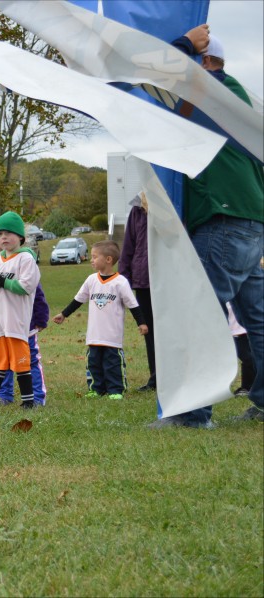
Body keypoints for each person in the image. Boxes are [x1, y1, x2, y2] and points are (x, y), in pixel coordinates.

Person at [155, 27, 264, 426]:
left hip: (223, 221)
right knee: (259, 319)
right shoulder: (240, 102)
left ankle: (194, 414)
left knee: (199, 312)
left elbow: (157, 73)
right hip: (249, 221)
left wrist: (182, 45)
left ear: (205, 63)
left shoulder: (213, 93)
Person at [53, 241, 148, 400]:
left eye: (95, 257)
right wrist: (63, 314)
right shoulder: (91, 280)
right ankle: (96, 389)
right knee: (94, 363)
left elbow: (133, 305)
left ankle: (116, 390)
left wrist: (142, 323)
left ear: (108, 259)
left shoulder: (120, 282)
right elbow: (78, 300)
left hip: (112, 337)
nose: (91, 260)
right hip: (94, 335)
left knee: (113, 364)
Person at [0, 211, 40, 409]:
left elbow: (26, 286)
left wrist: (2, 281)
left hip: (15, 320)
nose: (4, 237)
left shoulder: (26, 260)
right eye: (0, 233)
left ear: (20, 237)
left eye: (9, 233)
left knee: (21, 361)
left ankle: (28, 400)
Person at [120, 192, 156, 391]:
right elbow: (129, 245)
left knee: (170, 331)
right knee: (149, 330)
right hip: (144, 281)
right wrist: (123, 280)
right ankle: (155, 377)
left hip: (168, 281)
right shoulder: (137, 210)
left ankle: (174, 377)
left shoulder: (174, 202)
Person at [227, 303, 256, 397]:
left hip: (241, 330)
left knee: (248, 358)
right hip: (232, 330)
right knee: (248, 358)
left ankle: (248, 387)